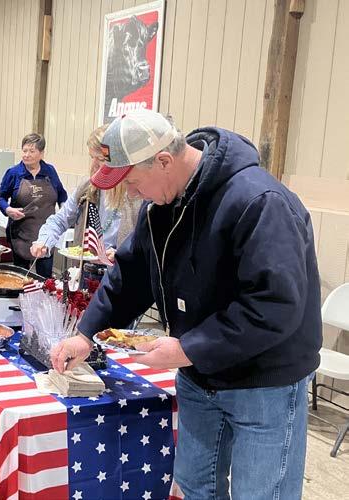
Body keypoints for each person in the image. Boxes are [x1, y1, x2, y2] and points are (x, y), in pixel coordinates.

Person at [50, 110, 322, 499]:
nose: (132, 194)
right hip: (199, 376)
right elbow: (131, 274)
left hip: (263, 383)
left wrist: (188, 348)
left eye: (133, 182)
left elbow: (275, 304)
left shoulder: (259, 201)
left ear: (164, 160)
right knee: (195, 488)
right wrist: (86, 333)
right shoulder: (161, 207)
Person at [30, 125, 142, 279]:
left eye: (100, 159)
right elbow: (60, 219)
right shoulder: (87, 187)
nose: (94, 165)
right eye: (91, 157)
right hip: (85, 272)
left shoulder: (136, 195)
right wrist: (44, 241)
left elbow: (144, 243)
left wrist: (122, 254)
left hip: (120, 276)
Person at [0, 133, 67, 277]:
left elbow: (62, 194)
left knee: (44, 279)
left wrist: (64, 210)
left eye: (32, 151)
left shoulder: (50, 172)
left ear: (41, 153)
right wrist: (8, 209)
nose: (26, 155)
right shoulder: (13, 173)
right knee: (20, 277)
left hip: (46, 236)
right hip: (21, 235)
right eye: (24, 151)